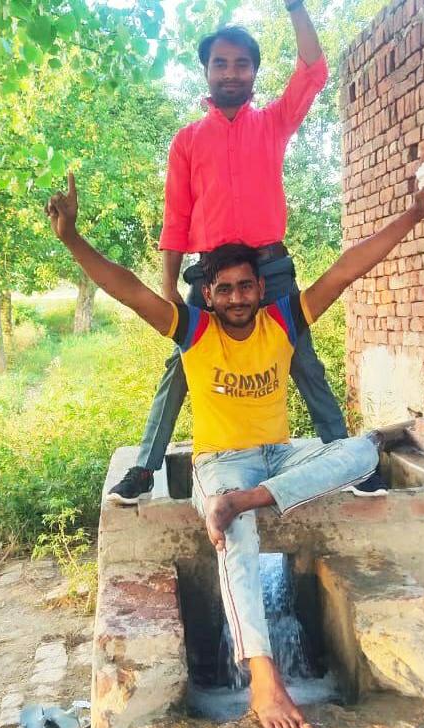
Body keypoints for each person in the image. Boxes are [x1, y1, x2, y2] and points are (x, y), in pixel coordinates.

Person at [46, 172, 424, 728]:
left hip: (277, 459)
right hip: (221, 464)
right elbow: (127, 289)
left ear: (260, 289)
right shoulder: (193, 329)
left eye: (245, 287)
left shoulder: (283, 320)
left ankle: (248, 500)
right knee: (237, 534)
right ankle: (263, 677)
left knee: (361, 452)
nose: (236, 298)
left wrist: (414, 215)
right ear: (209, 294)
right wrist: (71, 239)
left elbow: (347, 269)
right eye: (225, 289)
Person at [107, 7, 371, 504]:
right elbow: (176, 218)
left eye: (242, 64)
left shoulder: (273, 123)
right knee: (180, 367)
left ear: (253, 72)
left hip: (269, 268)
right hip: (212, 276)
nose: (231, 73)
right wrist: (168, 288)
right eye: (221, 63)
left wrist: (294, 7)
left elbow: (313, 71)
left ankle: (345, 458)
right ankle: (144, 469)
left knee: (304, 360)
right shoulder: (187, 141)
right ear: (207, 71)